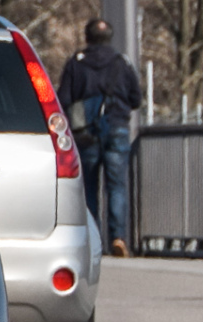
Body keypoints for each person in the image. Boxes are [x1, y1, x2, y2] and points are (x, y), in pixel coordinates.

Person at [59, 16, 144, 257]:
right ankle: (118, 237)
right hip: (116, 128)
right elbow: (136, 98)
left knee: (89, 187)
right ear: (110, 38)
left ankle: (92, 240)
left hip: (86, 132)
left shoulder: (76, 63)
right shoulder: (121, 63)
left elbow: (63, 100)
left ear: (87, 37)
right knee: (116, 187)